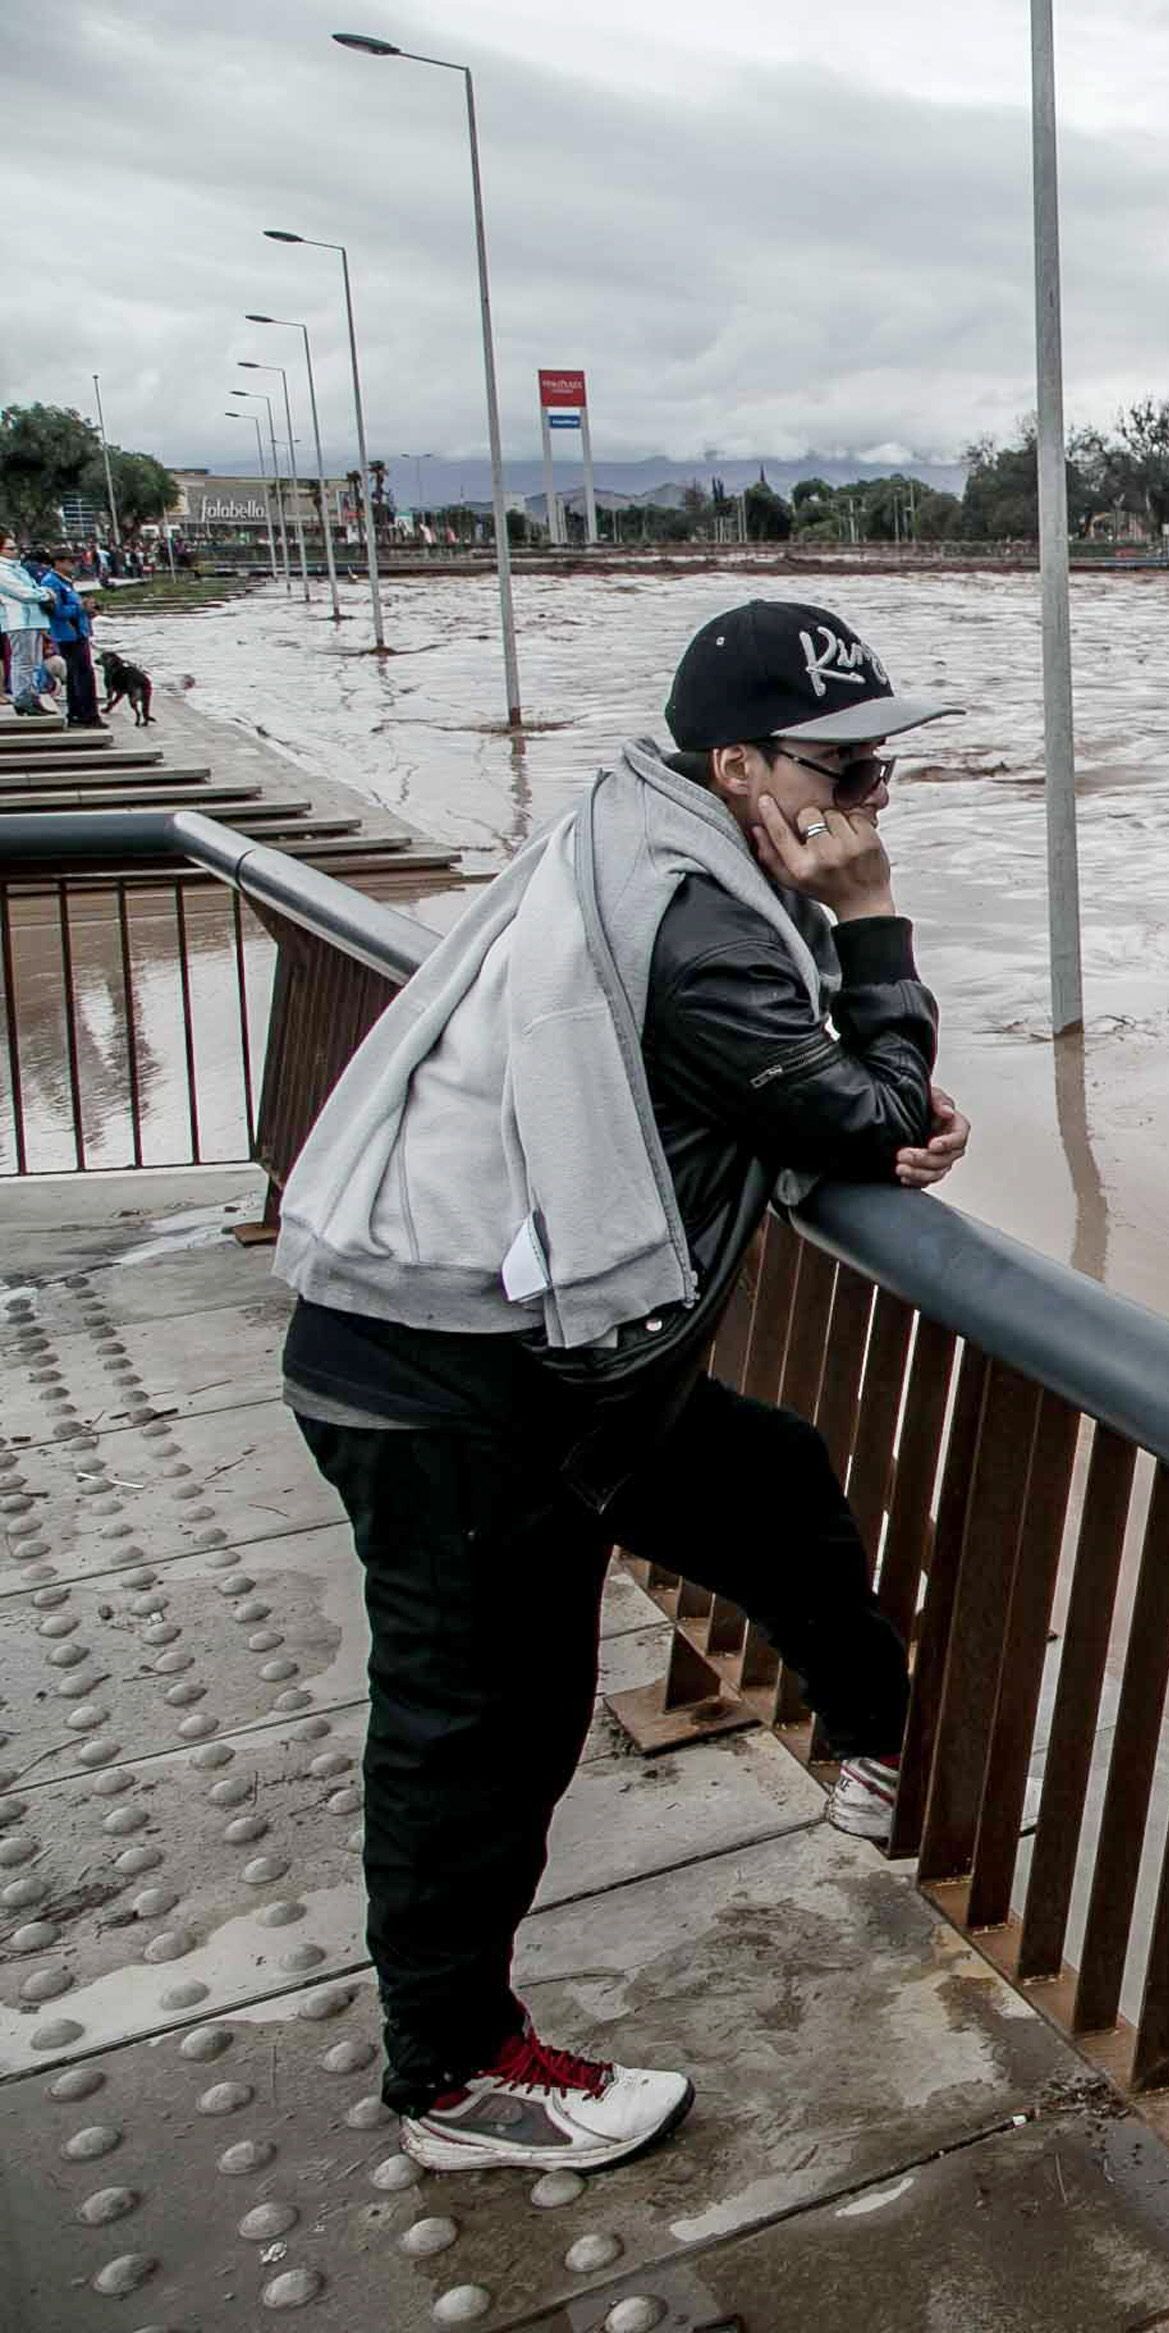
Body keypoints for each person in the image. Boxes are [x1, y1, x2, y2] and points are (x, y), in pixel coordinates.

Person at [272, 601, 973, 2176]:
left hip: (531, 1351)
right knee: (481, 1728)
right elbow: (861, 1105)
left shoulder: (645, 829)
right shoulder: (700, 910)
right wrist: (871, 925)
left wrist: (862, 1107)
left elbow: (838, 1107)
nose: (867, 802)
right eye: (843, 770)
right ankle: (455, 2074)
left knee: (773, 1481)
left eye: (882, 776)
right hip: (456, 1377)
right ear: (735, 764)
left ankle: (875, 1744)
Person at [34, 549, 97, 727]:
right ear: (58, 562)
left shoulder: (66, 582)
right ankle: (81, 715)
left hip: (79, 633)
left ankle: (85, 713)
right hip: (67, 635)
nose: (74, 564)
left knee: (83, 674)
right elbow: (55, 611)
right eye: (70, 561)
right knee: (78, 675)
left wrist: (88, 612)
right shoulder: (51, 582)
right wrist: (80, 609)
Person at [0, 534, 48, 715]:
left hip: (33, 619)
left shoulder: (18, 568)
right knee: (22, 661)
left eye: (15, 548)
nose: (15, 552)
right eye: (10, 549)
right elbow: (23, 593)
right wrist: (46, 594)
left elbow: (33, 587)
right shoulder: (2, 570)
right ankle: (22, 698)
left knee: (35, 662)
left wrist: (40, 592)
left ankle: (33, 697)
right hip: (18, 620)